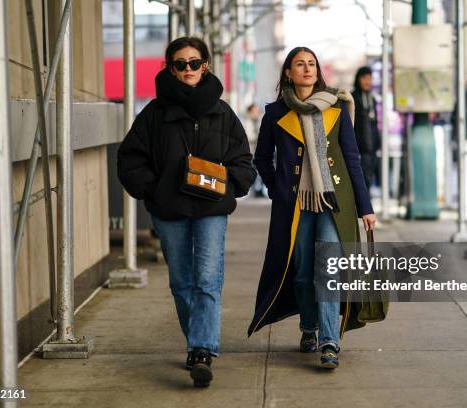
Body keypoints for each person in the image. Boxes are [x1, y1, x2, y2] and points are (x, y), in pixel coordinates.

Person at [117, 36, 256, 387]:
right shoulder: (153, 114)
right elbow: (130, 158)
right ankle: (197, 340)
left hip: (211, 208)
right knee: (182, 283)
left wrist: (231, 185)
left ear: (205, 65)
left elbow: (243, 159)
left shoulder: (222, 112)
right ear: (170, 68)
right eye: (181, 64)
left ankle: (201, 349)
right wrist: (154, 191)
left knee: (208, 280)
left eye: (195, 63)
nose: (188, 69)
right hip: (170, 210)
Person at [248, 47, 377, 369]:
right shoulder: (276, 114)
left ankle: (329, 340)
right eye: (299, 65)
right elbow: (262, 158)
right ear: (288, 73)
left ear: (318, 72)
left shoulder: (336, 110)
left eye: (311, 64)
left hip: (335, 202)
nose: (307, 69)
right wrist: (276, 188)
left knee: (328, 270)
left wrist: (365, 207)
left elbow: (352, 161)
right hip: (295, 204)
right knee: (304, 273)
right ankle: (309, 327)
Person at [352, 66, 380, 189]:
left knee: (368, 181)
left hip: (372, 149)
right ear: (358, 79)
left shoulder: (372, 99)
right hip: (358, 149)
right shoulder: (352, 98)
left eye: (370, 78)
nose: (367, 81)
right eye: (364, 78)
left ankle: (366, 207)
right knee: (360, 182)